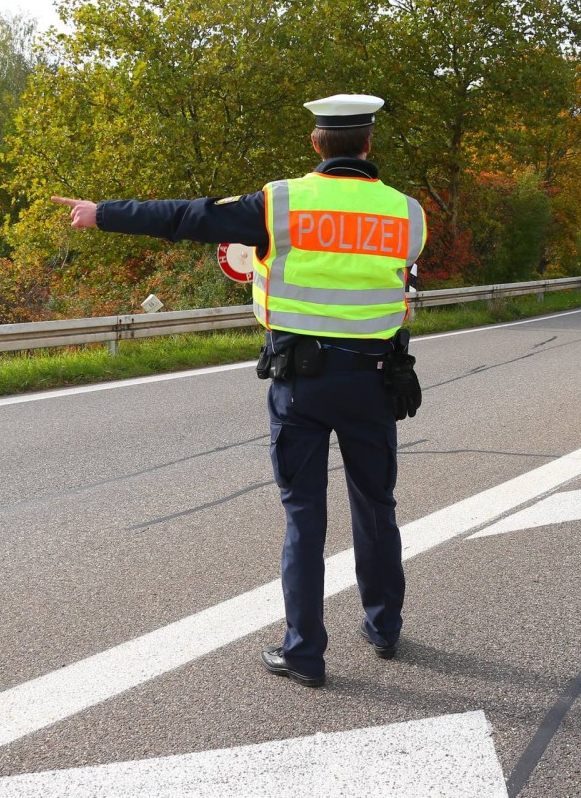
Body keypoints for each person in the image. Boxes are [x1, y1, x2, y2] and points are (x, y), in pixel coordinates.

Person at [52, 94, 426, 687]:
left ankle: (304, 652)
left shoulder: (279, 203)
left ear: (315, 143)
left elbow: (185, 217)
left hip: (300, 383)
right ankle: (384, 627)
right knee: (376, 506)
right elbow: (399, 287)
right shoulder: (409, 213)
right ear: (368, 144)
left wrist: (104, 214)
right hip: (375, 381)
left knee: (305, 514)